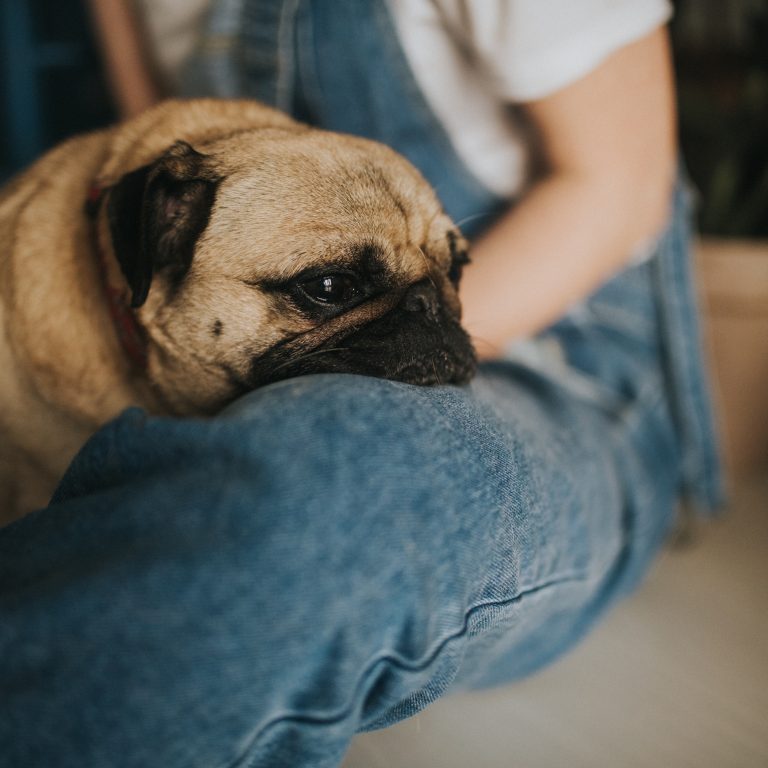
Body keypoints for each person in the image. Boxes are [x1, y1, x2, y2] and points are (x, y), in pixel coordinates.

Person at [0, 2, 723, 767]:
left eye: (447, 270)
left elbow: (623, 184)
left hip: (558, 362)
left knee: (335, 479)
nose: (426, 313)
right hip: (185, 328)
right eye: (327, 285)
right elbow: (156, 140)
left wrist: (412, 349)